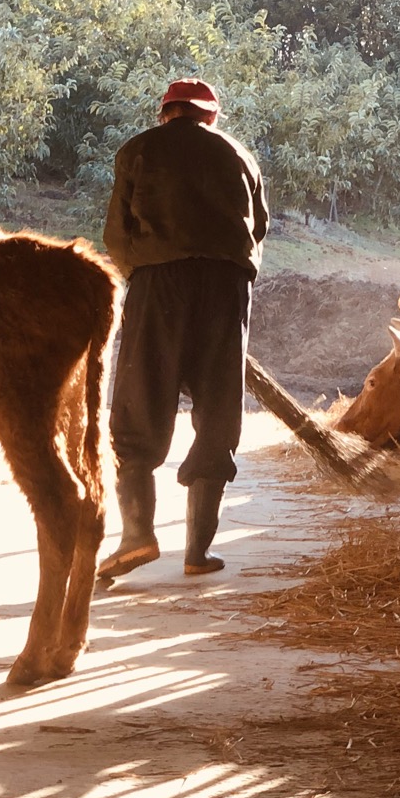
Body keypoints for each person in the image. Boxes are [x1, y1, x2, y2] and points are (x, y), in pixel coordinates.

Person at [98, 78, 269, 581]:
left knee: (138, 405)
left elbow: (116, 232)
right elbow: (258, 226)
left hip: (158, 284)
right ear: (211, 116)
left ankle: (137, 536)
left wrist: (143, 273)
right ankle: (197, 554)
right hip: (225, 286)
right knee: (218, 412)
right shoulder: (240, 155)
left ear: (165, 112)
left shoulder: (138, 150)